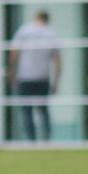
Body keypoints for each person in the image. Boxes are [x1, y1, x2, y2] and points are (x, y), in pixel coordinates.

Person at [7, 11, 61, 142]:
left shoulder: (24, 31)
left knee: (27, 110)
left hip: (25, 77)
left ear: (36, 17)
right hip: (43, 77)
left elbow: (14, 53)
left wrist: (11, 72)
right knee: (43, 109)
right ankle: (46, 134)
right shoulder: (51, 34)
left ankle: (31, 138)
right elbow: (58, 60)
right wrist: (56, 81)